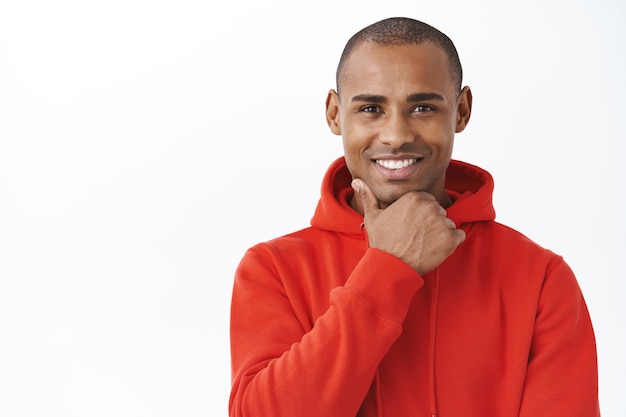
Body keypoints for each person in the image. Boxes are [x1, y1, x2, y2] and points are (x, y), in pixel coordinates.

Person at [228, 17, 600, 417]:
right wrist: (388, 269)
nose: (396, 135)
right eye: (371, 108)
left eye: (422, 107)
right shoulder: (272, 269)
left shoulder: (541, 277)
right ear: (336, 114)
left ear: (461, 111)